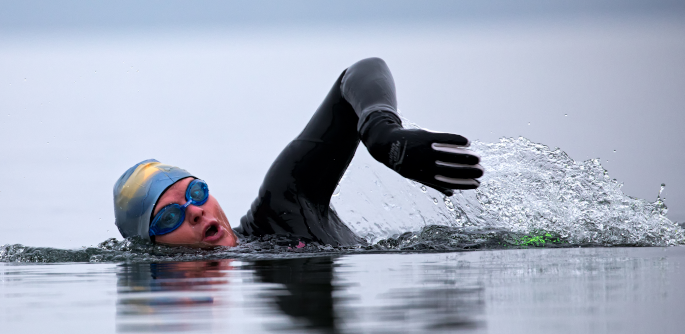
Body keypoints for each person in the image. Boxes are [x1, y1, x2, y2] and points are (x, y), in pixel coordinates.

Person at [112, 58, 484, 248]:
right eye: (169, 218)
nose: (195, 211)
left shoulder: (282, 207)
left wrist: (380, 129)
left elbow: (360, 70)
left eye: (195, 193)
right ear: (151, 248)